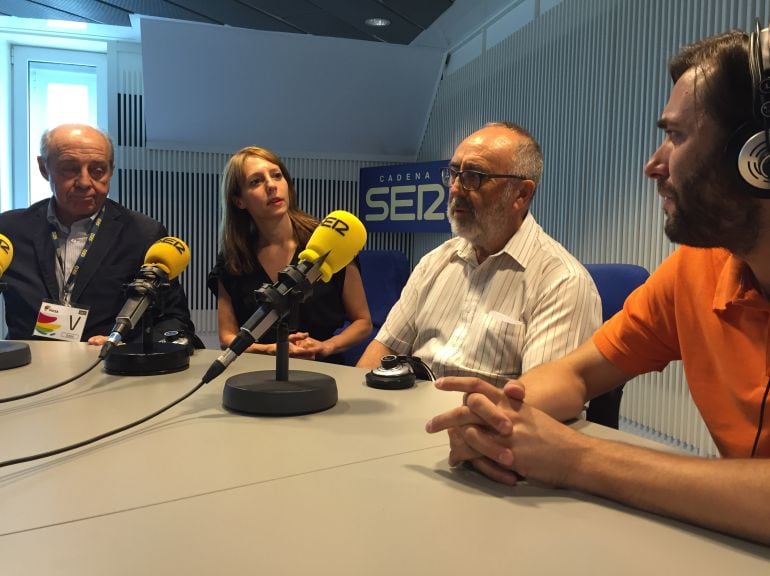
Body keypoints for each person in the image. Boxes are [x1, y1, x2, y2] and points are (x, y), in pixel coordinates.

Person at [425, 30, 770, 545]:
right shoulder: (694, 270)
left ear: (758, 158)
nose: (653, 165)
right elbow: (577, 374)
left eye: (676, 137)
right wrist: (501, 417)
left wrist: (576, 459)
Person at [357, 122, 601, 385]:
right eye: (453, 173)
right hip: (410, 417)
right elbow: (385, 348)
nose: (455, 188)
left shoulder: (562, 281)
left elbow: (539, 403)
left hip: (488, 423)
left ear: (521, 193)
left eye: (474, 176)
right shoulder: (435, 262)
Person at [0, 123, 197, 346]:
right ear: (44, 168)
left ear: (111, 170)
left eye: (97, 170)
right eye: (70, 168)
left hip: (106, 371)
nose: (84, 182)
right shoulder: (8, 231)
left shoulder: (143, 234)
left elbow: (174, 321)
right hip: (29, 371)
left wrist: (128, 348)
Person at [207, 146, 372, 364]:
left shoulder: (330, 241)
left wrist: (325, 346)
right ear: (239, 200)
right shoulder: (233, 259)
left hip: (326, 370)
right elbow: (227, 338)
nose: (271, 186)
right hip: (258, 373)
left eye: (277, 176)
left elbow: (363, 321)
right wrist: (271, 349)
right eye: (256, 181)